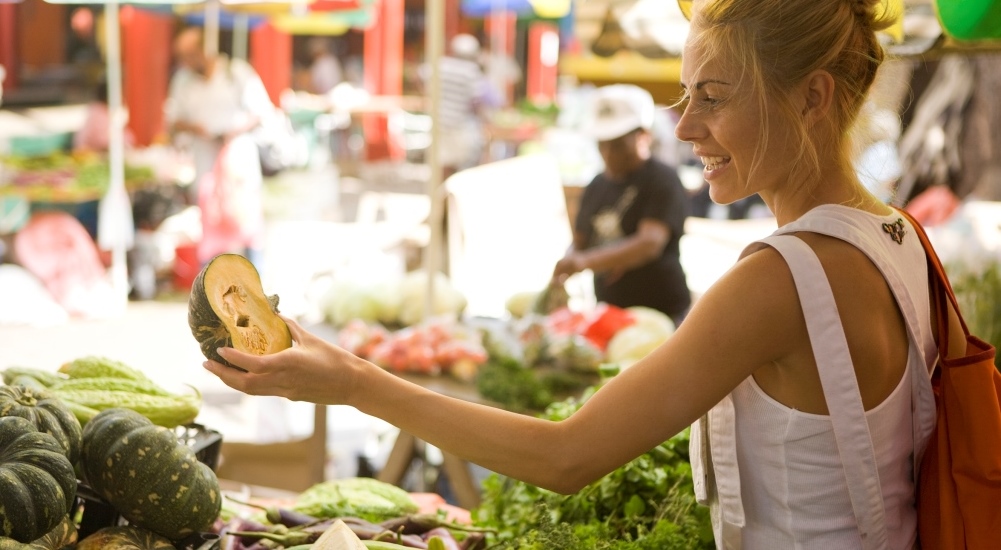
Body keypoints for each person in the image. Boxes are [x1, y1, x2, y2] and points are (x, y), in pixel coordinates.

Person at [205, 0, 961, 547]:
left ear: (812, 96)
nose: (685, 126)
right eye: (682, 95)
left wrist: (352, 382)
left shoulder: (779, 278)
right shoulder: (895, 235)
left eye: (713, 96)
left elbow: (564, 458)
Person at [552, 84, 692, 327]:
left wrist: (585, 261)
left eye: (617, 144)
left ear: (643, 136)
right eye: (602, 144)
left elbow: (650, 243)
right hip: (609, 311)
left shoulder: (661, 180)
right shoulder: (596, 185)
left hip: (660, 312)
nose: (608, 153)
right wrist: (568, 261)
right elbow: (581, 239)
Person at [165, 27, 272, 268]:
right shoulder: (182, 81)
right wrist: (196, 128)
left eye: (191, 53)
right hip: (206, 168)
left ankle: (256, 284)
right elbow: (173, 120)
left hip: (239, 165)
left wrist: (232, 131)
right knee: (210, 233)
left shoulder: (237, 73)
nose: (189, 61)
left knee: (248, 229)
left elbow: (262, 112)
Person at [436, 33, 490, 177]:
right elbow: (477, 101)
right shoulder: (471, 71)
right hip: (460, 123)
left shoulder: (441, 64)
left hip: (439, 120)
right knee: (462, 163)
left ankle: (441, 194)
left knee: (443, 163)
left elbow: (420, 75)